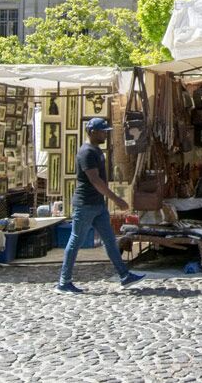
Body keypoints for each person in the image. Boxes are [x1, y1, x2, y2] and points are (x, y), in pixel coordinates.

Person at [57, 117, 145, 293]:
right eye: (102, 131)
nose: (105, 134)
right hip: (85, 204)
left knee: (110, 241)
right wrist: (116, 199)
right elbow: (95, 180)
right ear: (92, 132)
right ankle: (64, 281)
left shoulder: (96, 150)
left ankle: (124, 275)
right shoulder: (86, 153)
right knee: (76, 241)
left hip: (98, 205)